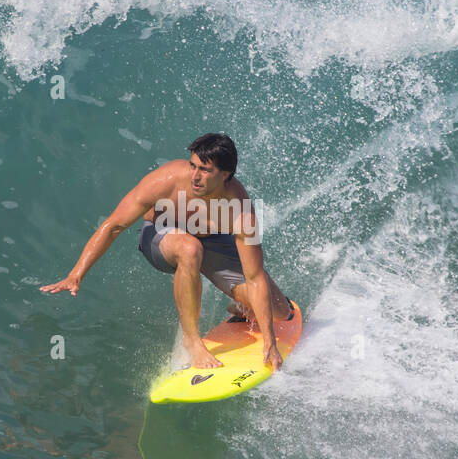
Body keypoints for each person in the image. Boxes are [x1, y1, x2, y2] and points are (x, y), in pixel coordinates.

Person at [39, 133, 294, 370]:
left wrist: (270, 342)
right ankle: (192, 342)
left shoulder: (240, 209)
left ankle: (242, 307)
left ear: (226, 174)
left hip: (212, 239)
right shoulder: (167, 181)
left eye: (205, 170)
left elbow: (255, 276)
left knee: (281, 313)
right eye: (193, 165)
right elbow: (114, 225)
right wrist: (76, 273)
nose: (195, 175)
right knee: (189, 248)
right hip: (161, 234)